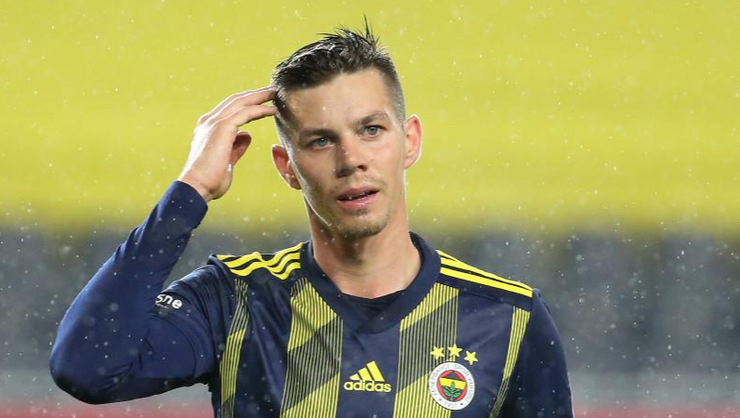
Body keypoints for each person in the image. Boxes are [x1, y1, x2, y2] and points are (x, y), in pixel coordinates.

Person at [50, 23, 573, 417]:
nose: (351, 160)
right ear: (288, 167)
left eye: (371, 130)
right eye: (321, 141)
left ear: (409, 140)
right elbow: (87, 369)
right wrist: (191, 191)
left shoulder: (507, 318)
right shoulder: (236, 300)